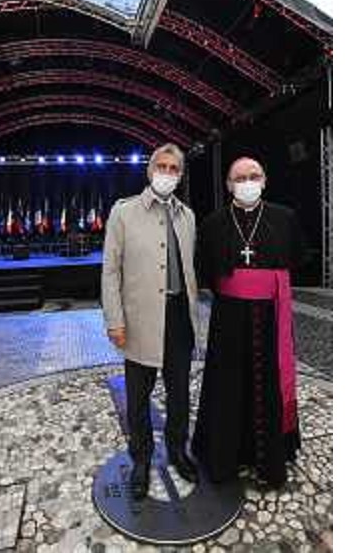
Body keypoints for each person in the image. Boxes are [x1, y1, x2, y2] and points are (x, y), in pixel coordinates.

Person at [192, 156, 305, 488]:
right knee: (227, 386)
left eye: (254, 176)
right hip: (228, 320)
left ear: (265, 180)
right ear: (229, 185)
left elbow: (297, 257)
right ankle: (224, 456)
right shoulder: (213, 223)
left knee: (270, 382)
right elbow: (206, 270)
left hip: (271, 317)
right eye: (239, 178)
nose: (247, 182)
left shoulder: (284, 218)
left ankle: (271, 458)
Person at [102, 143, 199, 500]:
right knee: (138, 398)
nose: (167, 174)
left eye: (174, 169)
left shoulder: (187, 216)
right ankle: (141, 460)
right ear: (149, 170)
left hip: (179, 318)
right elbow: (110, 272)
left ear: (181, 175)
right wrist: (115, 320)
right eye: (162, 166)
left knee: (179, 394)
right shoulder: (124, 213)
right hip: (140, 319)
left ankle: (178, 450)